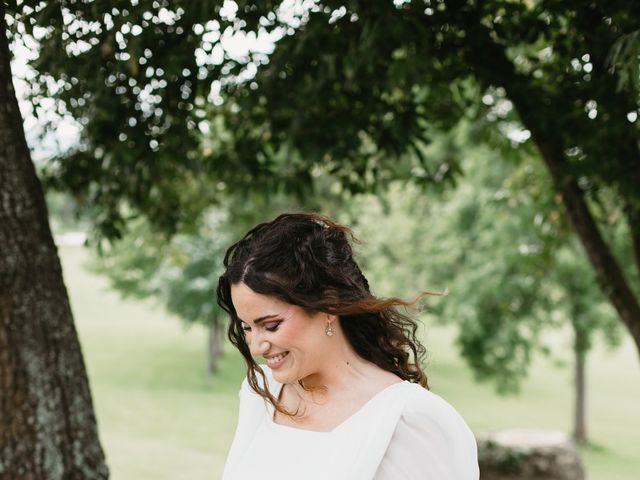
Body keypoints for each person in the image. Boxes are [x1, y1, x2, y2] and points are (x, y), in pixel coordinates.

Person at [217, 213, 479, 480]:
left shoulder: (406, 420)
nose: (257, 347)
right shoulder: (261, 394)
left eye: (271, 325)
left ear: (327, 306)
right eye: (247, 328)